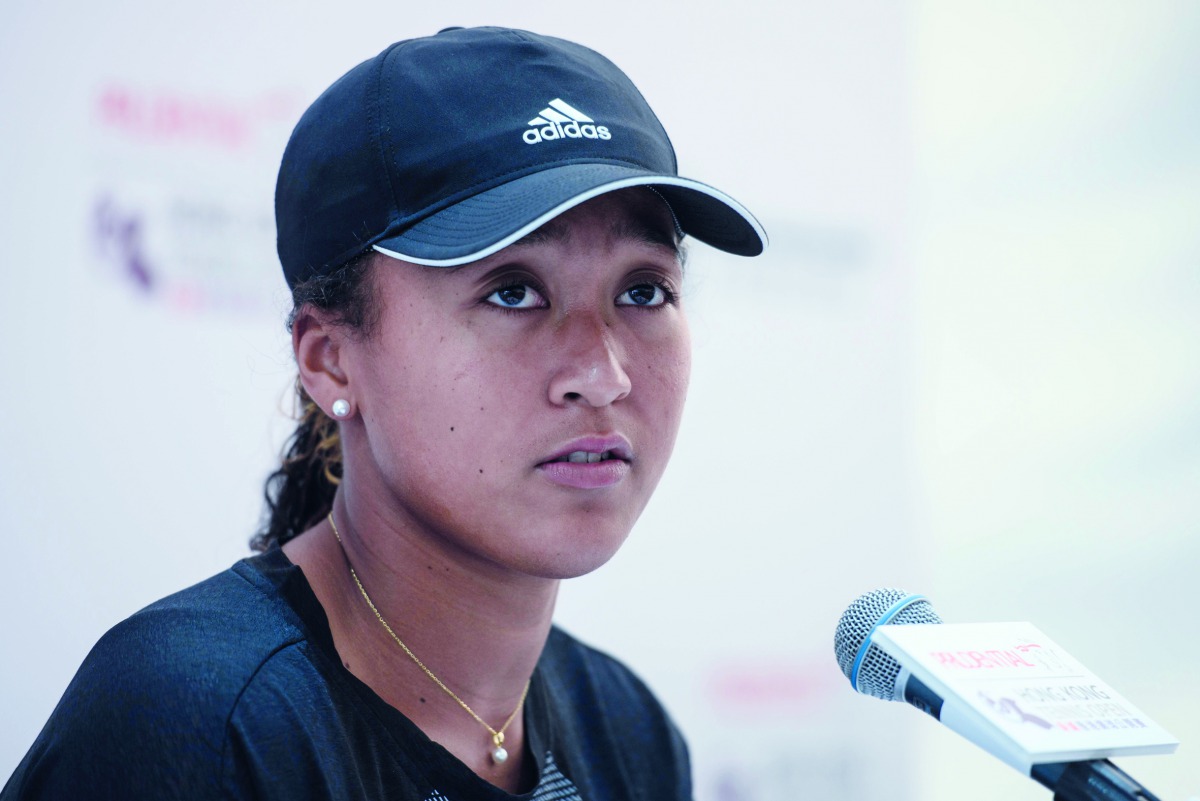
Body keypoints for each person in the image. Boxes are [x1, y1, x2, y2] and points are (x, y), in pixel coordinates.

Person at [2, 26, 765, 800]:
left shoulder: (629, 732)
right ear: (330, 359)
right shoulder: (200, 726)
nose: (602, 376)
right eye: (513, 292)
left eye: (644, 291)